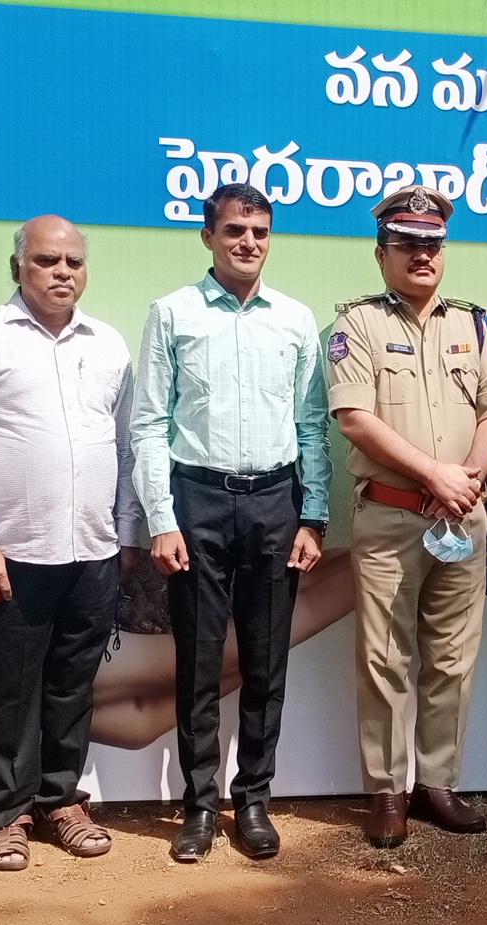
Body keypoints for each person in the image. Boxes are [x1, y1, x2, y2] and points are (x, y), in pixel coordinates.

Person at [131, 183, 331, 863]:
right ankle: (197, 805)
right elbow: (151, 424)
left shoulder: (295, 320)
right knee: (197, 661)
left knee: (267, 662)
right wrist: (162, 518)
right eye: (235, 229)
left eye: (260, 232)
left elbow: (310, 428)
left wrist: (315, 515)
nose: (249, 242)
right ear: (208, 236)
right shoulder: (172, 314)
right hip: (198, 501)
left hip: (276, 503)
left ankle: (253, 801)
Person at [0, 215, 142, 871]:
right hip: (12, 551)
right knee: (9, 688)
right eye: (48, 260)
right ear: (18, 266)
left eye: (74, 262)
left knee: (73, 685)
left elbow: (127, 449)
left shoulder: (108, 345)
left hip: (94, 551)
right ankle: (4, 814)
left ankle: (61, 802)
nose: (62, 272)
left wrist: (127, 534)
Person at [327, 186, 487, 848]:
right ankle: (386, 789)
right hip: (390, 518)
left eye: (433, 243)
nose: (423, 253)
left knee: (453, 657)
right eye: (408, 243)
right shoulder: (358, 325)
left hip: (460, 516)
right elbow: (355, 417)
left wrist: (467, 481)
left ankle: (438, 784)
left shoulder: (470, 325)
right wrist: (432, 474)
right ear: (383, 254)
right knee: (383, 659)